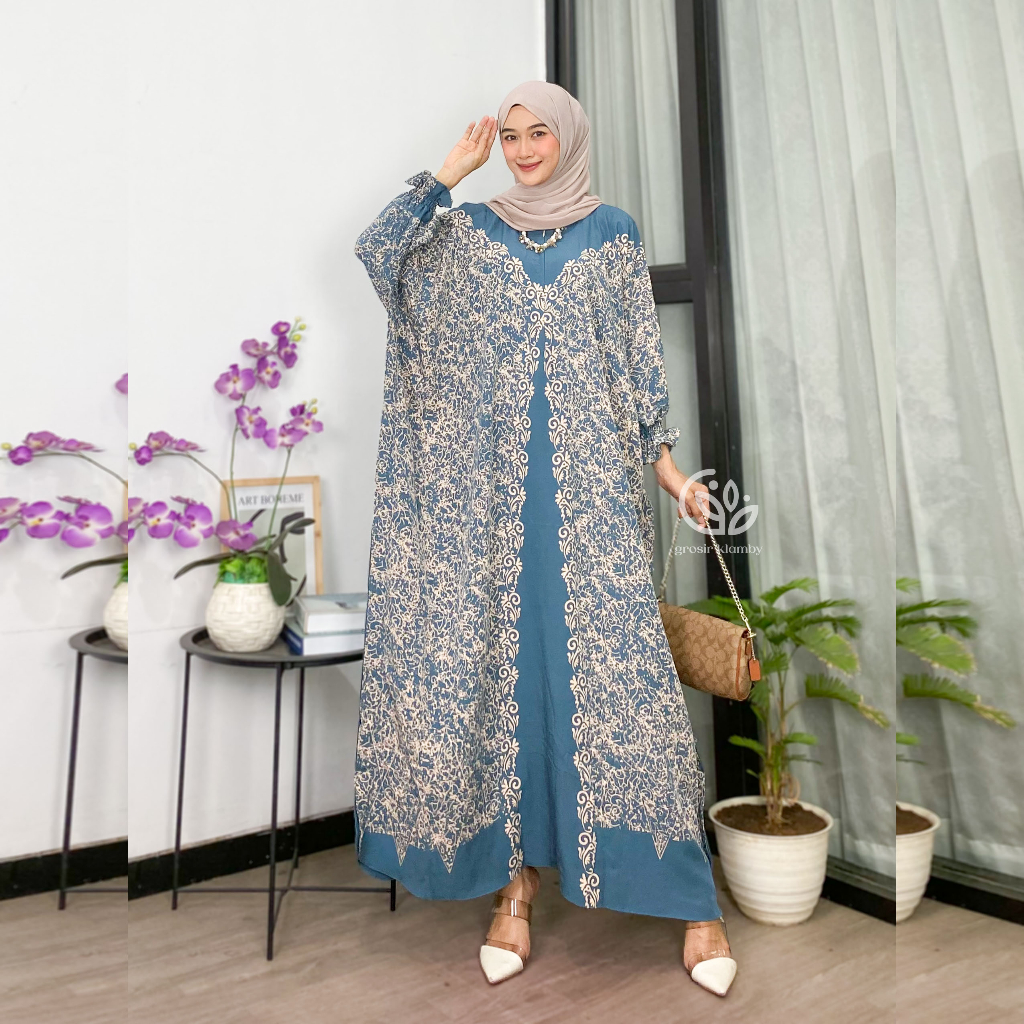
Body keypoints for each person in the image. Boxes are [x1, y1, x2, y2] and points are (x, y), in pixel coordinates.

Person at [353, 80, 737, 997]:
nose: (525, 150)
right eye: (512, 137)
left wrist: (675, 477)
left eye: (539, 135)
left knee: (625, 688)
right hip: (485, 512)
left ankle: (696, 903)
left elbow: (636, 364)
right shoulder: (468, 236)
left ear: (569, 139)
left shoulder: (612, 235)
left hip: (592, 504)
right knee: (505, 686)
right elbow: (378, 255)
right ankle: (514, 891)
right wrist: (448, 175)